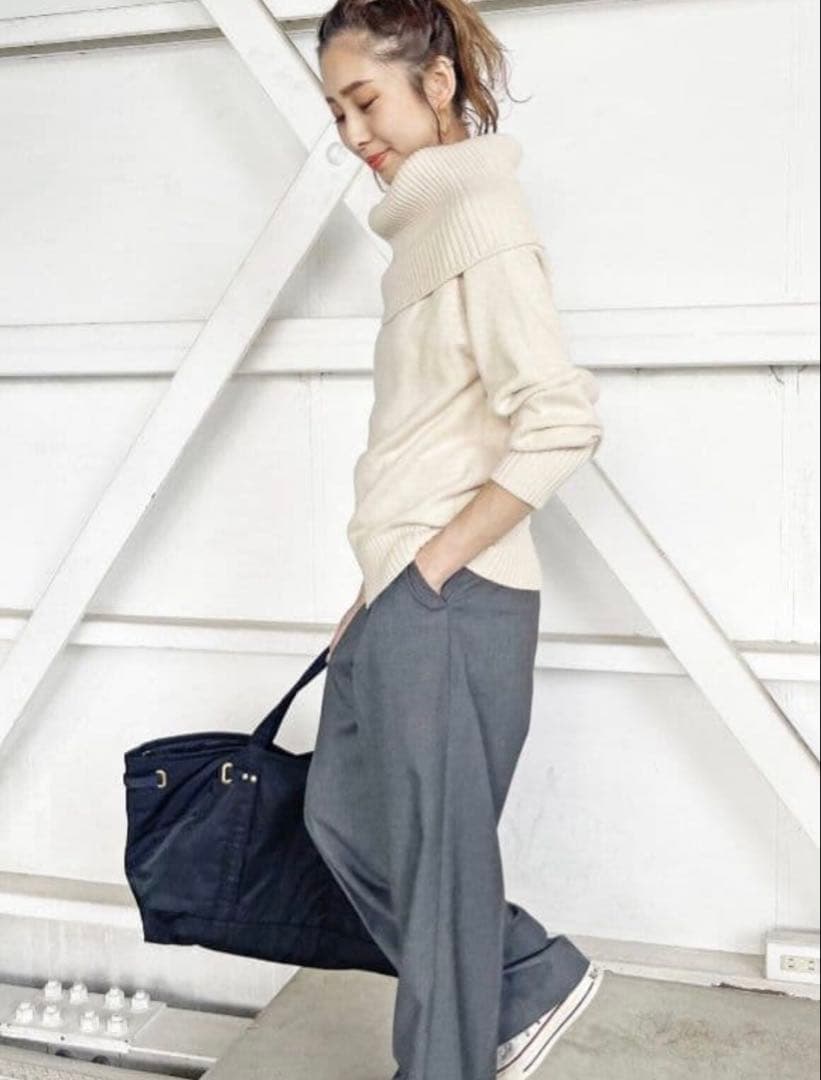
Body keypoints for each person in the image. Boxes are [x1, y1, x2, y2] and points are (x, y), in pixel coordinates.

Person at [304, 2, 606, 1077]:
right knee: (341, 822)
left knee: (435, 879)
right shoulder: (421, 231)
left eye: (365, 102)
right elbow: (429, 438)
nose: (353, 133)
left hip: (452, 598)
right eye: (336, 112)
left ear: (435, 86)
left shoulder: (481, 215)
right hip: (401, 593)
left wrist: (430, 567)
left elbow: (560, 419)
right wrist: (374, 586)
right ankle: (523, 975)